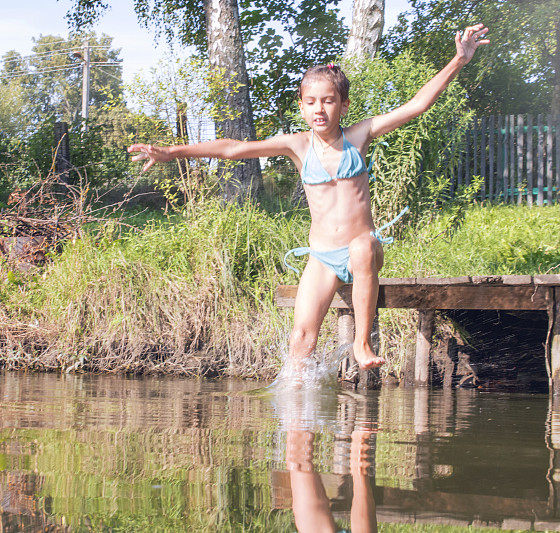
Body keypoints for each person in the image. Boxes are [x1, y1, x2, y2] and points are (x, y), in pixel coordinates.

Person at [128, 24, 489, 374]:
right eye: (311, 102)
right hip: (323, 256)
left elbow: (416, 107)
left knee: (362, 247)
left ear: (343, 106)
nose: (320, 109)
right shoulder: (297, 145)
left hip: (362, 249)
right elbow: (233, 149)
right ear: (302, 107)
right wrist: (173, 151)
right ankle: (298, 416)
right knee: (301, 340)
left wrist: (459, 59)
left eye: (329, 101)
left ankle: (363, 343)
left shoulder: (359, 135)